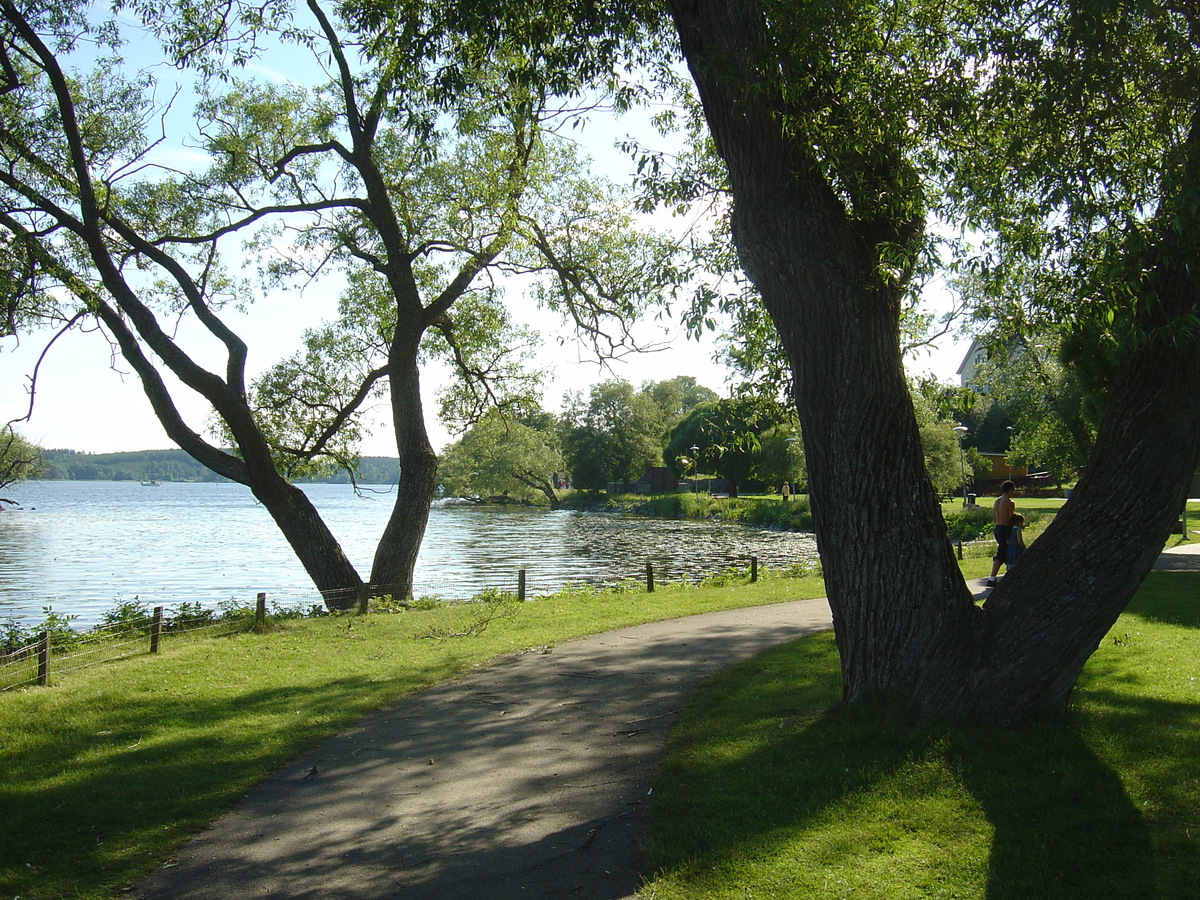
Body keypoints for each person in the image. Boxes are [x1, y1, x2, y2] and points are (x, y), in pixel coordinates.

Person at [986, 480, 1016, 587]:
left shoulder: (996, 501)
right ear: (1009, 490)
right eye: (1013, 490)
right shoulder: (1009, 502)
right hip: (1004, 528)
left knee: (1003, 550)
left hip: (997, 528)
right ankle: (992, 577)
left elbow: (994, 517)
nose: (1014, 493)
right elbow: (1010, 519)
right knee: (1002, 552)